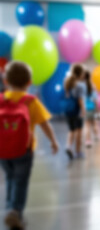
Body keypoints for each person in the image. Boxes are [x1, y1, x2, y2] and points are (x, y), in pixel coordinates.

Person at [0, 61, 59, 230]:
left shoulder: (1, 99)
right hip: (23, 151)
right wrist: (53, 142)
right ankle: (15, 211)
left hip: (2, 151)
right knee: (20, 181)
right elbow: (45, 124)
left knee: (10, 179)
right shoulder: (30, 101)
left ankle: (9, 209)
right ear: (29, 82)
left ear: (5, 81)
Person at [64, 64, 86, 159]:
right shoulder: (80, 85)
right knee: (79, 131)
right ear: (80, 73)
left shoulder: (67, 82)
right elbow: (80, 99)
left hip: (68, 110)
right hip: (77, 110)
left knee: (71, 130)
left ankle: (68, 146)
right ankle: (78, 151)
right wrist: (83, 110)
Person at [84, 71, 99, 148]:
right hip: (92, 108)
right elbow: (95, 100)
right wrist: (98, 112)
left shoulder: (82, 86)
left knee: (87, 126)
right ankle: (96, 136)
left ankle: (88, 141)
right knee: (94, 123)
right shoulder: (93, 86)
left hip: (85, 108)